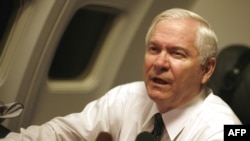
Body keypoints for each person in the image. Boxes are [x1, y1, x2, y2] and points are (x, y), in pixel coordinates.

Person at [1, 8, 241, 141]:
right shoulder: (126, 96)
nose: (159, 62)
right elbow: (59, 134)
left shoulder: (222, 129)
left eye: (177, 54)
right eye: (154, 49)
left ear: (206, 69)